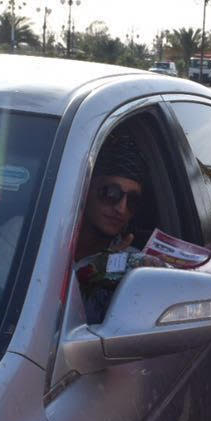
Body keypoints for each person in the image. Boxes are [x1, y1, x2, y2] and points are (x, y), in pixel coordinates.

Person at [70, 131, 150, 324]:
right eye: (111, 193)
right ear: (86, 189)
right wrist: (91, 272)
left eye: (132, 200)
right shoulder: (28, 235)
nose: (121, 208)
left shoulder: (132, 263)